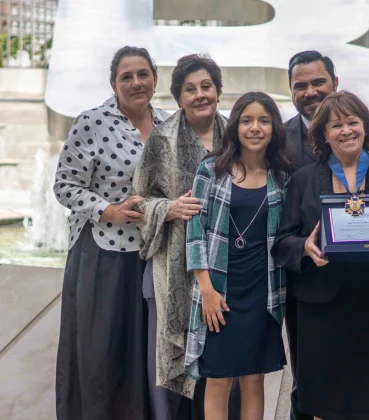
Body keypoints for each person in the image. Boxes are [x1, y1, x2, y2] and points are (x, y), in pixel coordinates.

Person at [273, 91, 369, 419]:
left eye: (353, 122)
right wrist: (305, 248)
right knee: (329, 400)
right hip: (325, 308)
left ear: (366, 128)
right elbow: (283, 240)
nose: (346, 130)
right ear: (323, 134)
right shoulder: (304, 179)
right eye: (336, 125)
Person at [54, 46, 169, 420]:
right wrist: (108, 210)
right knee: (102, 354)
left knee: (144, 354)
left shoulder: (170, 124)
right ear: (113, 84)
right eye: (126, 77)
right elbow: (64, 185)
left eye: (142, 74)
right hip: (102, 255)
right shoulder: (92, 122)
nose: (136, 83)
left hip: (153, 255)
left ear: (155, 77)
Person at [184, 92, 291, 420]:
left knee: (253, 377)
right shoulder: (211, 169)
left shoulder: (282, 176)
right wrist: (206, 289)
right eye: (247, 120)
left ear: (274, 127)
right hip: (220, 289)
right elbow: (195, 231)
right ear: (235, 127)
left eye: (263, 120)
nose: (255, 128)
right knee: (218, 377)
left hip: (263, 291)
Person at [132, 53, 227, 419]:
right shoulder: (162, 140)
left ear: (218, 90)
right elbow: (138, 200)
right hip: (171, 271)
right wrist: (168, 208)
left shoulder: (235, 134)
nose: (200, 94)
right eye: (190, 89)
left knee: (221, 369)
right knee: (170, 374)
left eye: (206, 86)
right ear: (178, 97)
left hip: (224, 270)